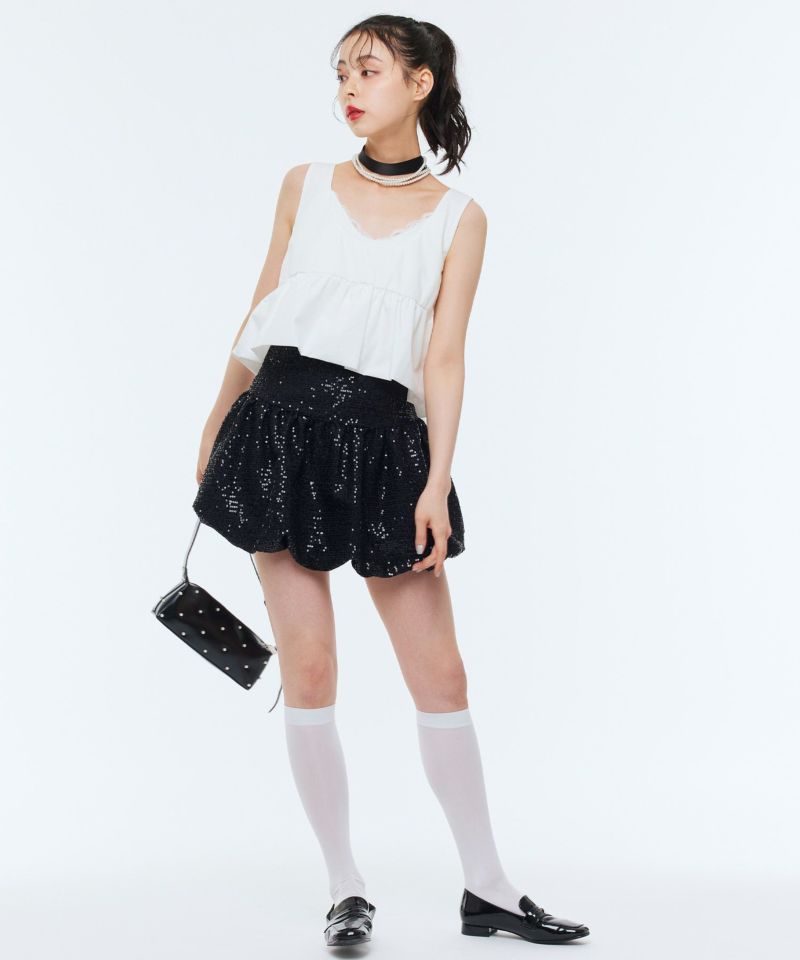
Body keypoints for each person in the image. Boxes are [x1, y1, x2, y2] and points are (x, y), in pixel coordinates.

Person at [192, 14, 590, 949]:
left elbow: (444, 359)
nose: (347, 85)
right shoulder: (303, 184)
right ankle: (345, 887)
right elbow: (261, 309)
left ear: (421, 82)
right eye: (340, 70)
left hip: (385, 445)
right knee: (310, 670)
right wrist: (215, 420)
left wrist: (437, 481)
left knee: (441, 674)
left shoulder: (460, 217)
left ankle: (488, 887)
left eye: (368, 68)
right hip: (278, 428)